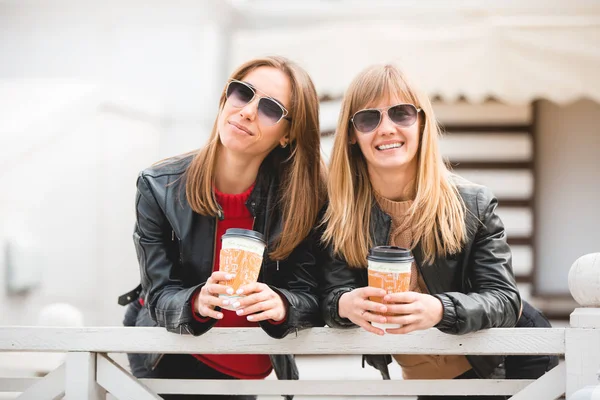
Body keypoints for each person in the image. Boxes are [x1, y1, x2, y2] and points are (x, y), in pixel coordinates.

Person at [318, 63, 557, 400]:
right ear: (351, 135)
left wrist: (440, 309)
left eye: (401, 113)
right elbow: (329, 294)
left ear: (422, 123)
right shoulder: (340, 214)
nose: (386, 128)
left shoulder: (472, 203)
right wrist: (344, 303)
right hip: (431, 381)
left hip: (510, 360)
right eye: (368, 118)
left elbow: (505, 300)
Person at [119, 56, 326, 400]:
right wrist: (197, 300)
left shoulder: (305, 200)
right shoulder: (158, 186)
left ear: (288, 134)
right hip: (170, 351)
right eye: (242, 93)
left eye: (271, 109)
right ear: (225, 99)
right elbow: (159, 294)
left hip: (249, 364)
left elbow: (311, 298)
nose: (247, 111)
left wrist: (282, 305)